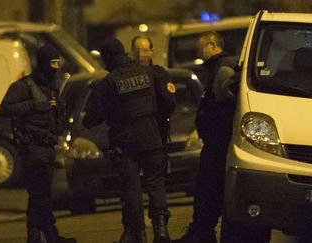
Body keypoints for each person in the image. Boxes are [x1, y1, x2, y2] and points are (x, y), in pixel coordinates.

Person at [82, 38, 175, 243]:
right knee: (155, 184)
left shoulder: (108, 83)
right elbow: (168, 102)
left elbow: (91, 118)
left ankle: (138, 233)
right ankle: (161, 230)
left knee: (131, 189)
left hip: (126, 143)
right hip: (152, 138)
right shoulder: (149, 74)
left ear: (106, 57)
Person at [0, 45, 76, 243]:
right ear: (42, 63)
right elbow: (5, 108)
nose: (56, 67)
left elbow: (58, 117)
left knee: (40, 193)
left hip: (48, 146)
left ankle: (39, 234)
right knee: (40, 191)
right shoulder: (24, 86)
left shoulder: (53, 87)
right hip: (32, 146)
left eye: (58, 63)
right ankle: (44, 234)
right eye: (52, 63)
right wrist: (35, 106)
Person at [174, 31, 237, 243]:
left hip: (219, 142)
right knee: (209, 188)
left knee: (208, 187)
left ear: (212, 45)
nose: (200, 51)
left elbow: (227, 102)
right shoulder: (219, 67)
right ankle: (202, 231)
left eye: (202, 47)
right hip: (218, 140)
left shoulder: (223, 69)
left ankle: (202, 233)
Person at [130, 35, 175, 144]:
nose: (141, 54)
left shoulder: (161, 74)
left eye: (145, 50)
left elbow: (170, 102)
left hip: (157, 132)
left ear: (151, 51)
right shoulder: (126, 76)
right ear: (132, 51)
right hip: (133, 135)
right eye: (137, 50)